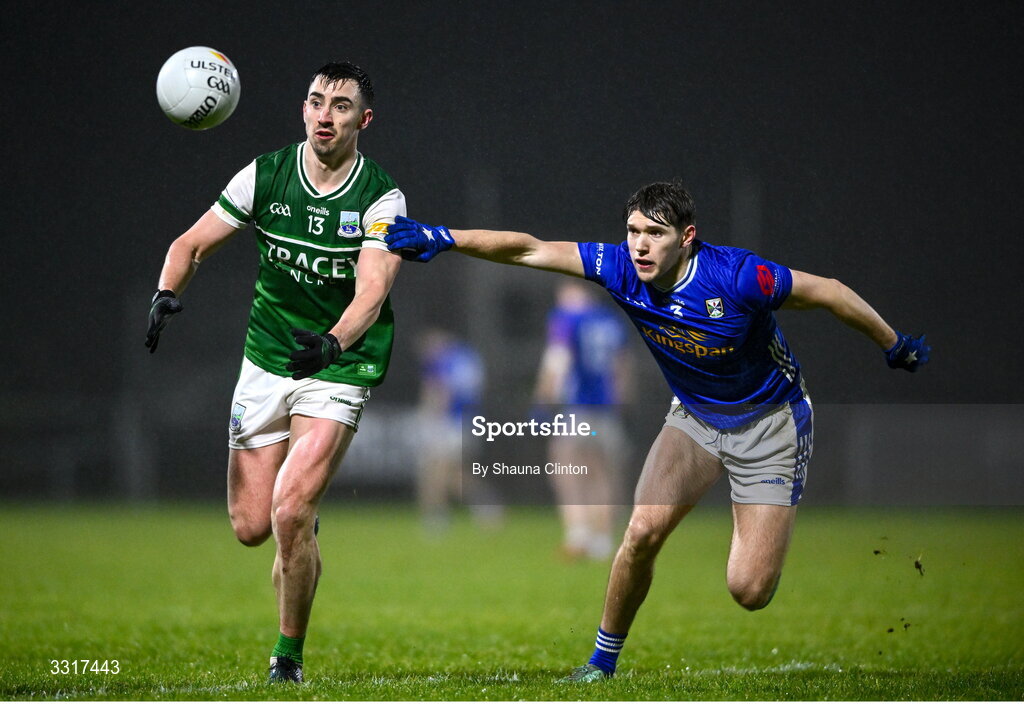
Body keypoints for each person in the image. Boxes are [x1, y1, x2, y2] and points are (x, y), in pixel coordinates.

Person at [384, 181, 930, 682]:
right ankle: (602, 661)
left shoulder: (739, 276)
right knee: (640, 534)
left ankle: (760, 537)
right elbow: (528, 248)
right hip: (693, 417)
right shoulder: (620, 268)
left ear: (687, 237)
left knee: (749, 590)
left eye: (654, 234)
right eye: (633, 231)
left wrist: (892, 343)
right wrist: (443, 237)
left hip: (771, 424)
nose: (639, 245)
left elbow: (831, 291)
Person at [145, 62, 406, 684]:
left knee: (288, 512)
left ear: (363, 120)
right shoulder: (265, 175)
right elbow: (190, 245)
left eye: (341, 106)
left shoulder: (382, 196)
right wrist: (165, 293)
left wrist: (333, 343)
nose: (325, 114)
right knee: (251, 528)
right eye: (316, 101)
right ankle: (302, 521)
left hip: (339, 362)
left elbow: (371, 293)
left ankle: (285, 661)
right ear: (303, 109)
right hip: (266, 359)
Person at [534, 281, 630, 561]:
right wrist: (621, 406)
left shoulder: (566, 318)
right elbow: (622, 369)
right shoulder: (610, 322)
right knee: (602, 473)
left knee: (564, 468)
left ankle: (578, 533)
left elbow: (557, 361)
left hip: (578, 409)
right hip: (607, 410)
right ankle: (602, 541)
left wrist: (543, 400)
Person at [415, 327, 495, 531]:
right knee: (455, 474)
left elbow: (441, 392)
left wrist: (432, 420)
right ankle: (486, 506)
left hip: (450, 421)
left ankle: (437, 519)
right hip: (469, 420)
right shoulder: (468, 356)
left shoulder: (442, 360)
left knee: (436, 470)